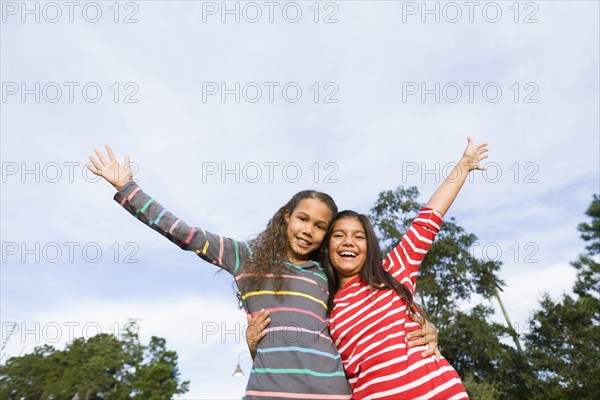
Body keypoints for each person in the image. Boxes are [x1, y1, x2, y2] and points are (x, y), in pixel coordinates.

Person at [87, 144, 438, 400]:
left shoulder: (324, 275)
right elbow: (185, 233)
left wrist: (422, 324)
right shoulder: (246, 258)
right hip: (267, 393)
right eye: (303, 219)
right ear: (286, 216)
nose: (308, 230)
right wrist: (128, 190)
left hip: (334, 393)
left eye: (320, 226)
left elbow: (368, 313)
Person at [247, 137, 487, 399]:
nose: (349, 241)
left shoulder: (394, 269)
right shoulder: (321, 303)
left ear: (369, 245)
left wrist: (463, 166)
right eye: (338, 235)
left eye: (358, 236)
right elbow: (301, 363)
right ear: (326, 247)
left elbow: (429, 218)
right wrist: (255, 346)